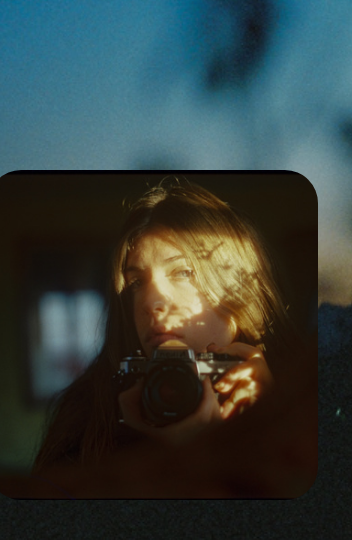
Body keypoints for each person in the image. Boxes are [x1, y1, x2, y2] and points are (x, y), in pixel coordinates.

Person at [31, 177, 303, 489]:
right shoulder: (87, 412)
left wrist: (272, 424)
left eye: (183, 272)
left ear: (238, 286)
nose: (150, 302)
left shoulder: (302, 395)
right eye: (136, 283)